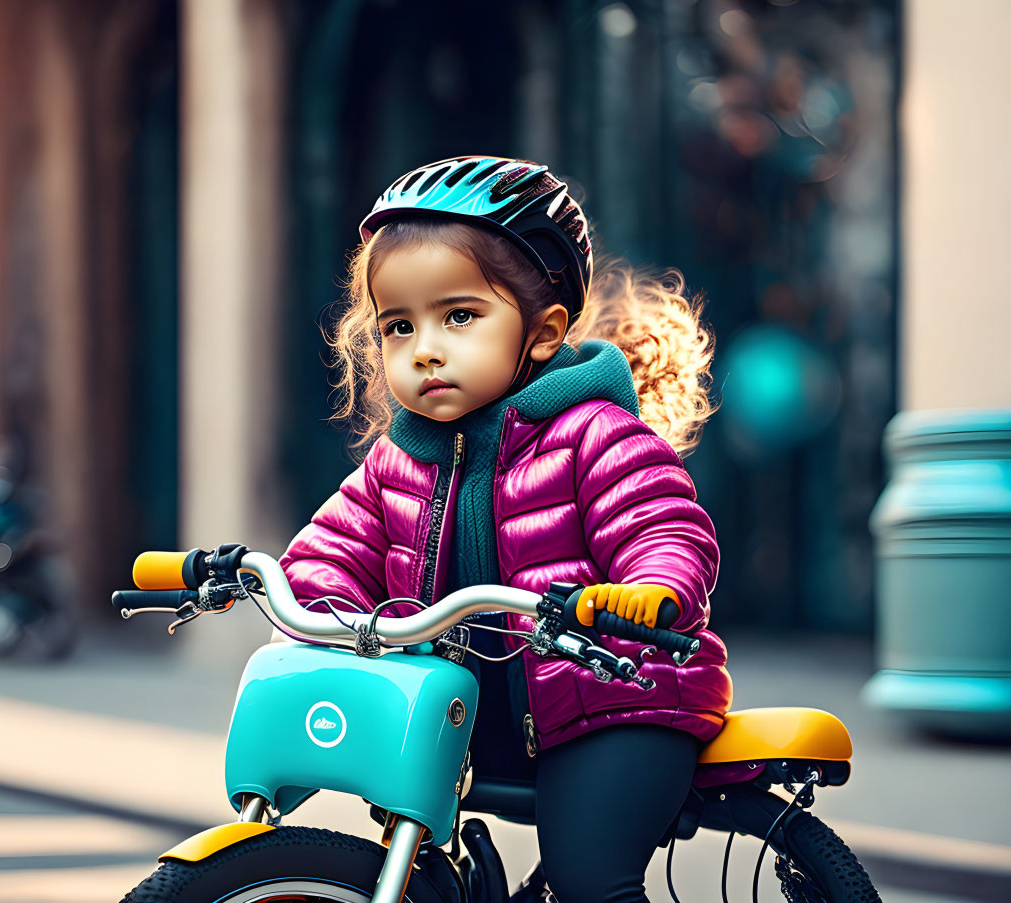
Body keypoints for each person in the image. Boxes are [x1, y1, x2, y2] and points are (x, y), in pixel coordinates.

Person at [279, 156, 731, 903]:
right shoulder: (400, 460)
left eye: (458, 315)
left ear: (544, 330)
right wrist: (305, 602)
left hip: (613, 700)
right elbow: (327, 552)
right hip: (469, 716)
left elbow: (663, 523)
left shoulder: (596, 435)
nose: (424, 346)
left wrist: (652, 588)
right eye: (399, 324)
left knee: (590, 881)